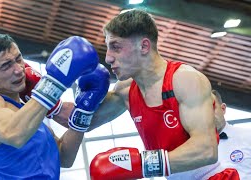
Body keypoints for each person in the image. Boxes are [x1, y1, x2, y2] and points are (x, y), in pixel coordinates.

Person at [87, 9, 240, 179]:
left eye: (115, 47)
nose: (107, 58)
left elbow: (206, 150)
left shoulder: (185, 79)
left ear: (144, 46)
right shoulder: (125, 90)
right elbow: (85, 122)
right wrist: (54, 93)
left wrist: (142, 164)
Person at [0, 33, 110, 179]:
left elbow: (64, 157)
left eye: (18, 59)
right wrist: (52, 83)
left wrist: (83, 112)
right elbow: (13, 134)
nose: (18, 70)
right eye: (6, 66)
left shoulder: (28, 112)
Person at [212, 89, 251, 179]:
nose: (208, 114)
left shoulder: (248, 136)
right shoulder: (194, 148)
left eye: (212, 108)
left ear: (223, 109)